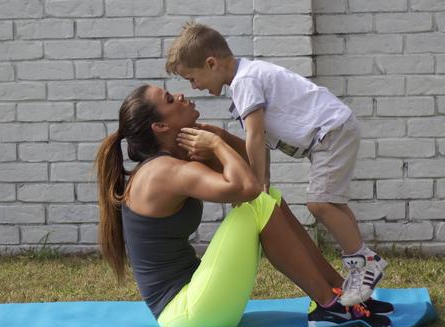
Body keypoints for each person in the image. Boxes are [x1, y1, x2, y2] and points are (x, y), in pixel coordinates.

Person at [95, 84, 392, 327]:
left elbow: (255, 168)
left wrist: (219, 139)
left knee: (268, 197)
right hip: (187, 312)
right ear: (159, 126)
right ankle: (329, 306)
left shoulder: (174, 162)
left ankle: (342, 294)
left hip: (198, 300)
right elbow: (248, 188)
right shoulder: (163, 171)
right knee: (257, 205)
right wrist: (216, 145)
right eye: (170, 99)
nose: (182, 96)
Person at [164, 22, 387, 306]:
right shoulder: (248, 78)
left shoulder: (245, 82)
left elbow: (254, 136)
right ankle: (363, 261)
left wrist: (254, 187)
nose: (194, 87)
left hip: (330, 131)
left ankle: (364, 263)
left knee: (319, 204)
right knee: (334, 203)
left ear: (211, 63)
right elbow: (263, 140)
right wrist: (265, 183)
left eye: (192, 79)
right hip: (335, 128)